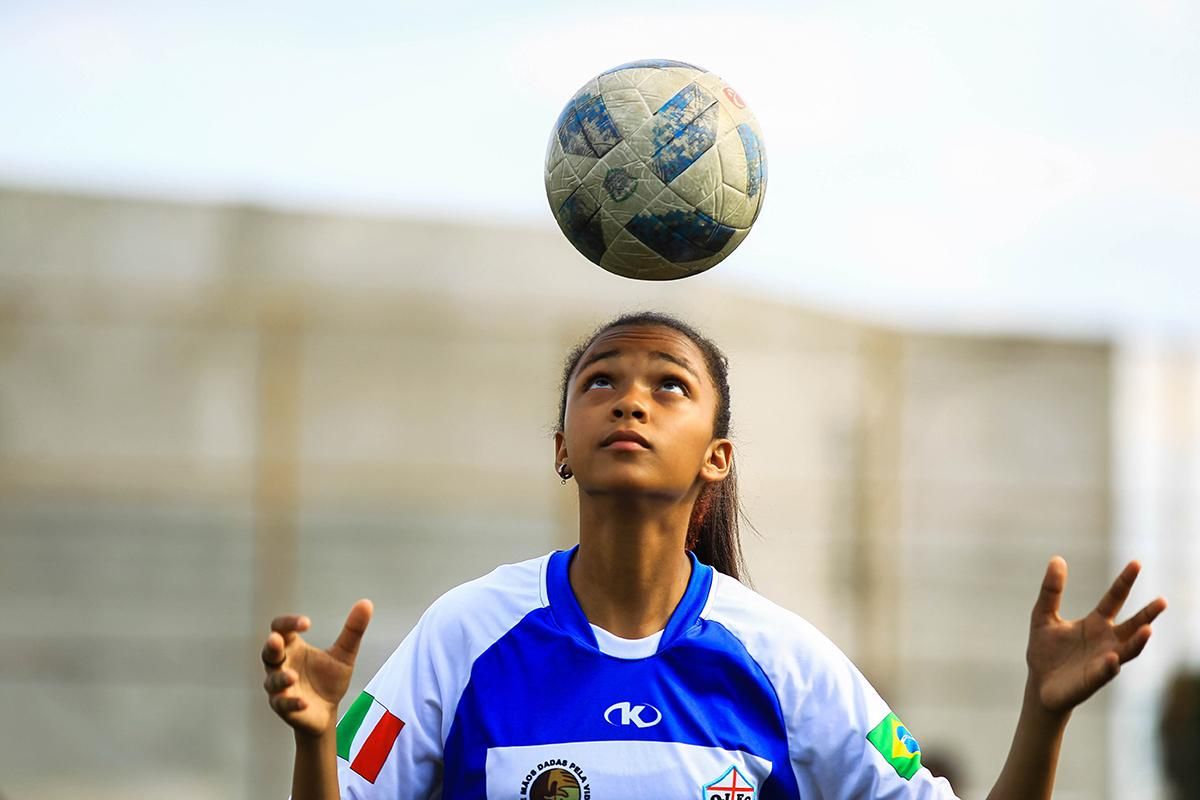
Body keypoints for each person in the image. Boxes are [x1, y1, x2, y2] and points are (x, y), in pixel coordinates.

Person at [261, 311, 1167, 799]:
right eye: (601, 380)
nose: (631, 400)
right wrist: (314, 744)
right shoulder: (468, 634)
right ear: (562, 446)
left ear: (717, 458)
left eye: (668, 384)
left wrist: (1044, 715)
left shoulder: (779, 657)